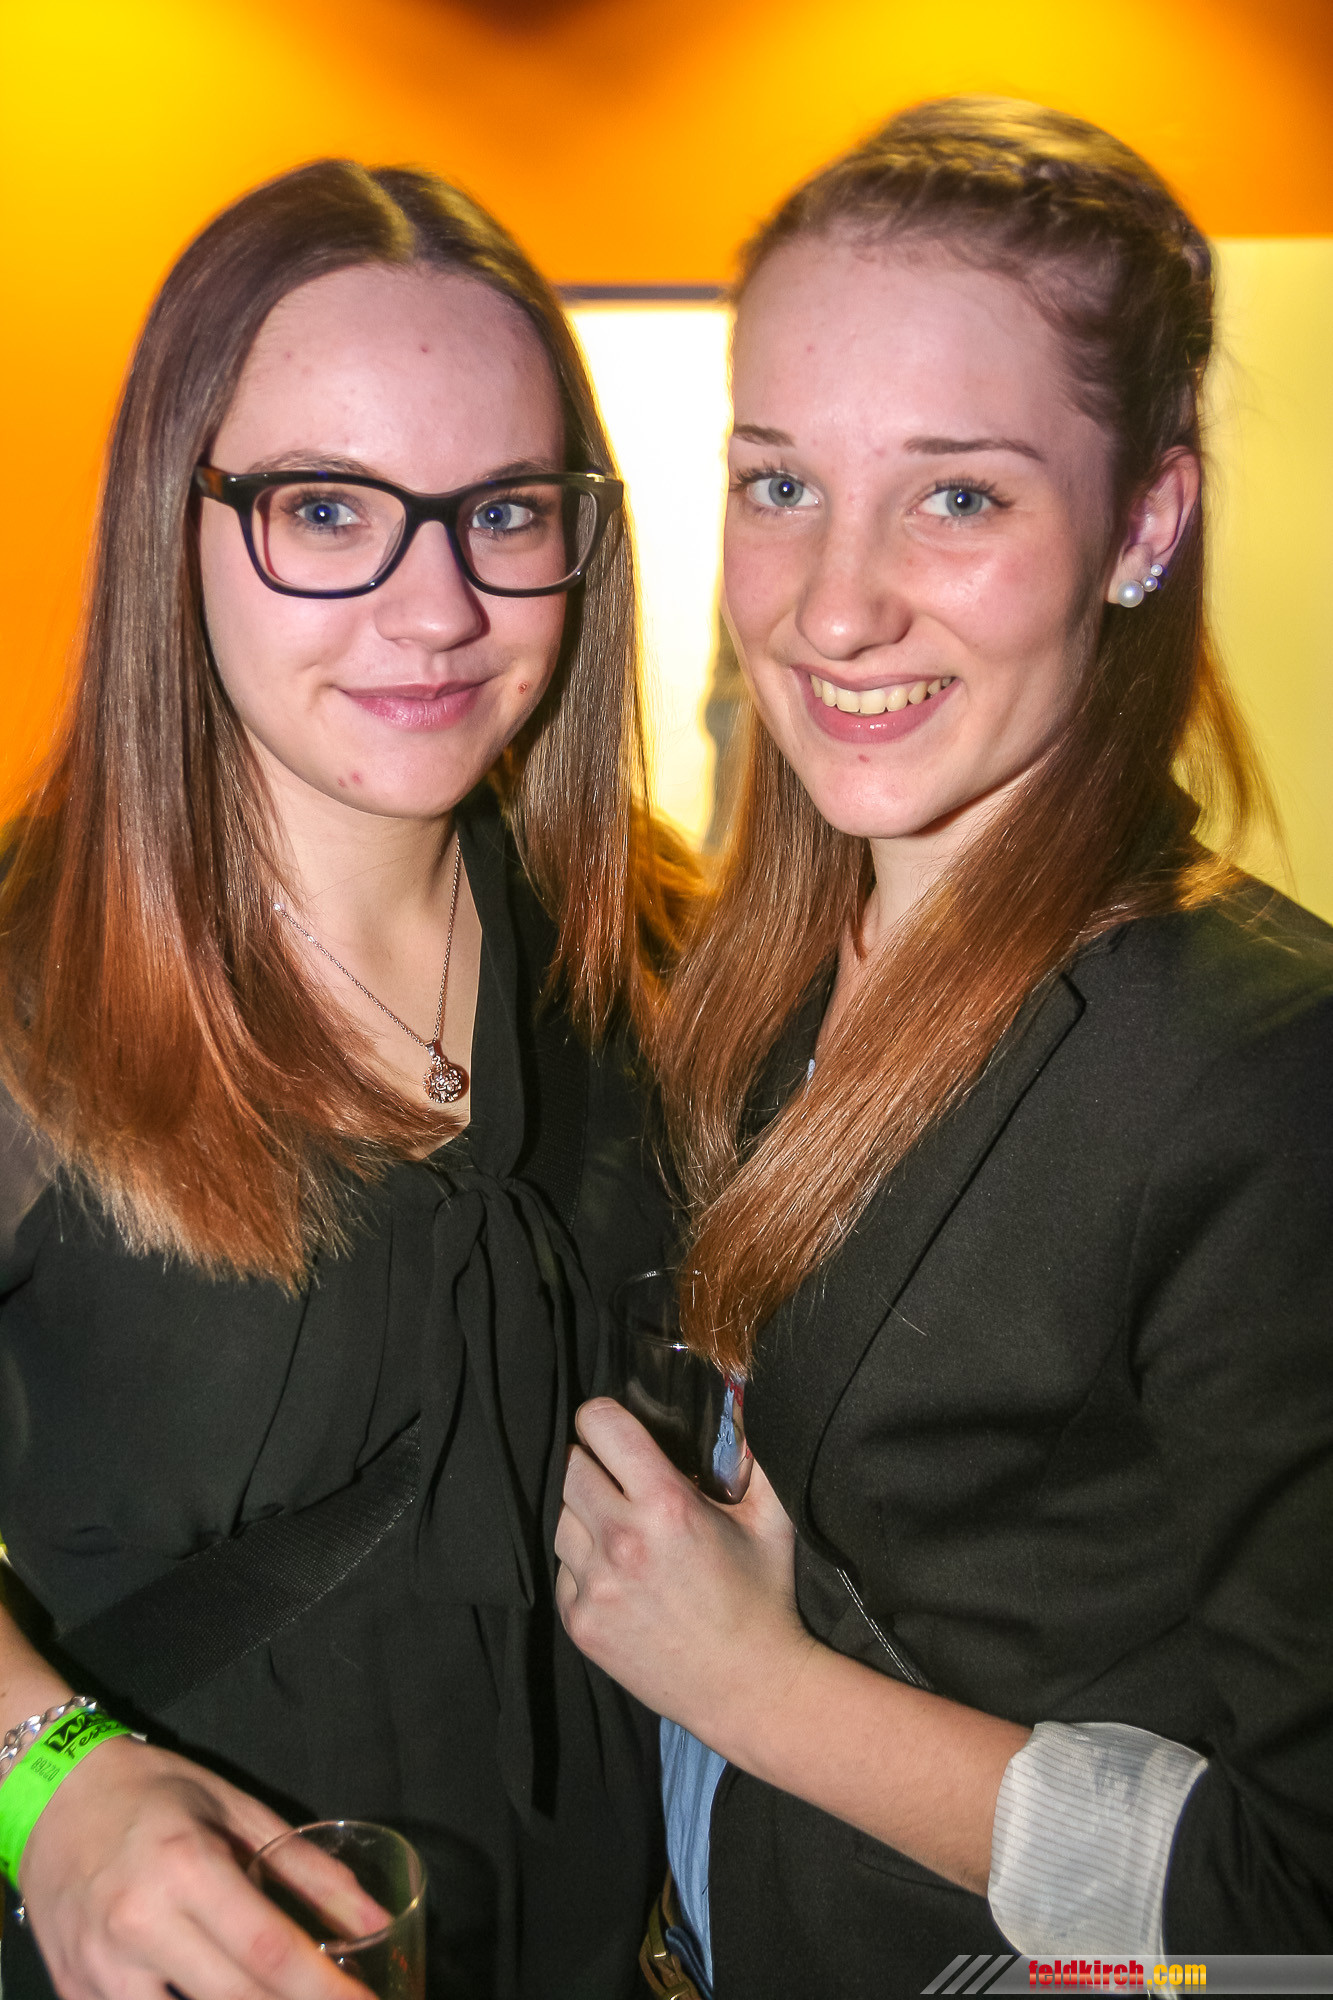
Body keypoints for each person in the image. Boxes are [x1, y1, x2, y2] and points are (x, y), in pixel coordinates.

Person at [554, 98, 1333, 1997]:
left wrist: (752, 1686)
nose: (831, 606)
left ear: (1142, 522)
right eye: (777, 484)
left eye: (958, 496)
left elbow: (1298, 1897)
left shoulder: (1263, 1078)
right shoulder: (756, 974)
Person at [0, 159, 691, 2000]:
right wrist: (42, 1785)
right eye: (326, 509)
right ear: (177, 521)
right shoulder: (27, 1000)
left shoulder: (658, 959)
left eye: (504, 510)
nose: (436, 607)